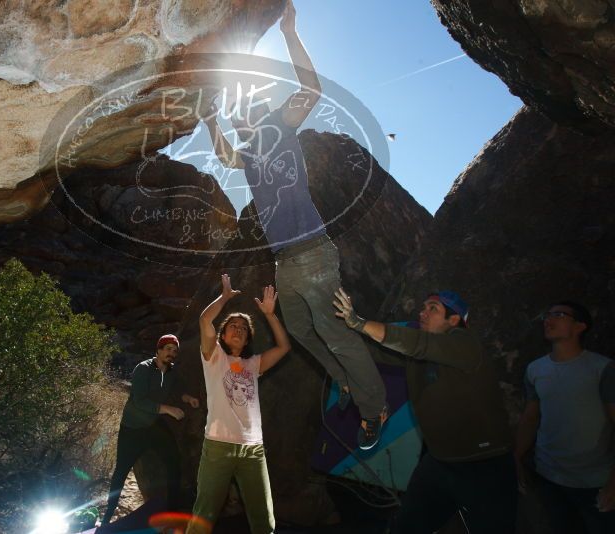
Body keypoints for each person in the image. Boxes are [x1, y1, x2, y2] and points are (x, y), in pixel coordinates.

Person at [203, 0, 387, 450]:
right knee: (302, 331)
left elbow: (312, 89)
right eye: (232, 116)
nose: (236, 119)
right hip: (286, 262)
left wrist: (289, 33)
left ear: (258, 110)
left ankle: (373, 408)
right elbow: (225, 155)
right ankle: (346, 381)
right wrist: (210, 119)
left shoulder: (281, 125)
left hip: (313, 251)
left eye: (238, 113)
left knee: (334, 331)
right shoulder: (246, 153)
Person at [333, 288, 516, 533]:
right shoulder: (418, 355)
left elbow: (416, 343)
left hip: (484, 466)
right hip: (440, 461)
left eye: (433, 308)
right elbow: (375, 351)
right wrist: (333, 331)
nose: (423, 312)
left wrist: (360, 323)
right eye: (423, 307)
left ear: (454, 320)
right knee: (406, 527)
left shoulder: (465, 343)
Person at [186, 274, 291, 534]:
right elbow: (204, 319)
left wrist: (269, 315)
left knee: (264, 521)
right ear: (223, 334)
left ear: (247, 340)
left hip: (253, 451)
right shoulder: (213, 356)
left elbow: (284, 346)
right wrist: (224, 297)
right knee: (203, 516)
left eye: (243, 329)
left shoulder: (253, 364)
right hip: (218, 447)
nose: (238, 330)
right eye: (233, 326)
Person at [514, 301, 615, 533]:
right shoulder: (535, 369)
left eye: (558, 314)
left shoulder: (602, 369)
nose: (549, 319)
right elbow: (530, 417)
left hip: (594, 480)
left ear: (580, 326)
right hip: (549, 476)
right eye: (547, 314)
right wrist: (516, 457)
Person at [100, 334, 199, 526]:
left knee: (174, 462)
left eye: (175, 350)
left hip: (153, 426)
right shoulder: (143, 369)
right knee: (120, 472)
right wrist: (168, 410)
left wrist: (188, 399)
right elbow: (139, 401)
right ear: (159, 350)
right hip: (132, 429)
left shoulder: (171, 372)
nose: (172, 353)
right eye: (168, 349)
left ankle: (173, 512)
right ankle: (107, 518)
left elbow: (177, 391)